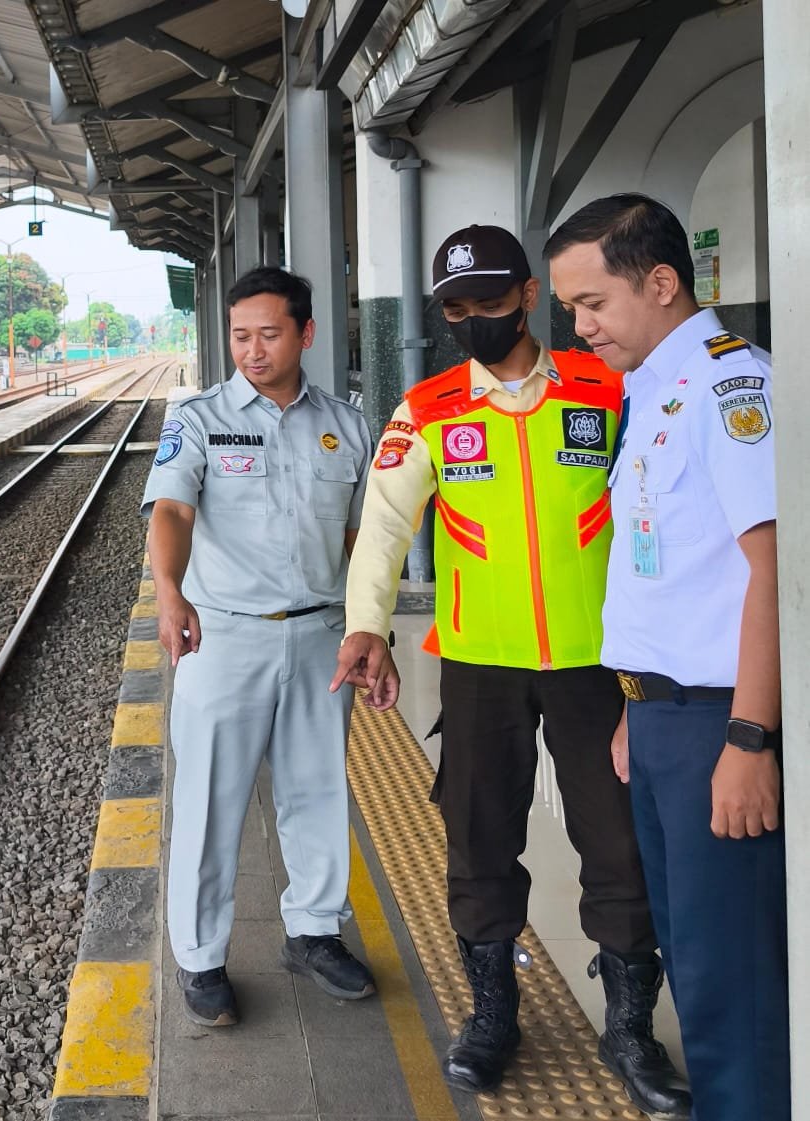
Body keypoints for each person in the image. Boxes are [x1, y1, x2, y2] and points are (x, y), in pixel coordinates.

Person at [334, 224, 689, 1116]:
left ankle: (629, 1027)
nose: (471, 321)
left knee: (618, 844)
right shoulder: (426, 406)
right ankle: (493, 1014)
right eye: (453, 308)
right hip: (479, 667)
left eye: (487, 303)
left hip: (600, 666)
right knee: (479, 838)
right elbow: (382, 523)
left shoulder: (606, 389)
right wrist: (365, 627)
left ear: (529, 297)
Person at [546, 194, 786, 1121]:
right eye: (568, 308)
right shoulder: (651, 385)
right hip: (659, 718)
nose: (580, 326)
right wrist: (629, 707)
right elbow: (662, 571)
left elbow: (772, 575)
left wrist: (749, 736)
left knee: (732, 980)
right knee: (689, 955)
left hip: (718, 723)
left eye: (592, 303)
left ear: (660, 282)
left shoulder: (734, 387)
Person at [141, 266, 376, 1026]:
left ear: (304, 334)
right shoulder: (201, 418)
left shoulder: (347, 423)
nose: (251, 349)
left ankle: (313, 931)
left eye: (268, 333)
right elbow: (172, 510)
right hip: (223, 636)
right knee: (212, 799)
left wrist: (366, 624)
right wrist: (168, 590)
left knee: (316, 790)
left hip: (318, 634)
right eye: (239, 335)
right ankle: (201, 956)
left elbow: (358, 534)